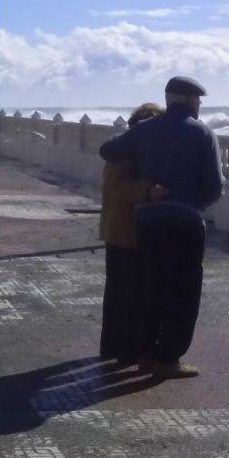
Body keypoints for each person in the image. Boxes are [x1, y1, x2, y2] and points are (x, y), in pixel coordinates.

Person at [99, 76, 223, 380]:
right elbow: (215, 187)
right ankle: (168, 359)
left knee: (152, 288)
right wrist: (194, 202)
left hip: (149, 223)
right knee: (183, 291)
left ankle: (146, 354)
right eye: (198, 100)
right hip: (186, 223)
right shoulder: (203, 133)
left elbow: (107, 150)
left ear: (169, 99)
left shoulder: (144, 130)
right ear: (191, 101)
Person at [99, 103, 163, 365]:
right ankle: (127, 351)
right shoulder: (128, 150)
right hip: (127, 230)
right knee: (130, 293)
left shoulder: (120, 145)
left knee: (117, 291)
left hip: (116, 229)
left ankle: (112, 346)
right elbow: (118, 186)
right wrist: (149, 190)